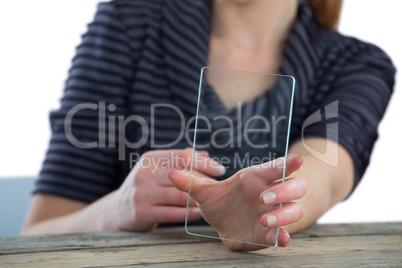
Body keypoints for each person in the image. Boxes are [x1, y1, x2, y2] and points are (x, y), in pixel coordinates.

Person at [21, 0, 395, 251]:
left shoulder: (358, 64)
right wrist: (116, 209)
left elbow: (327, 175)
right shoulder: (127, 22)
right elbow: (36, 233)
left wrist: (263, 209)